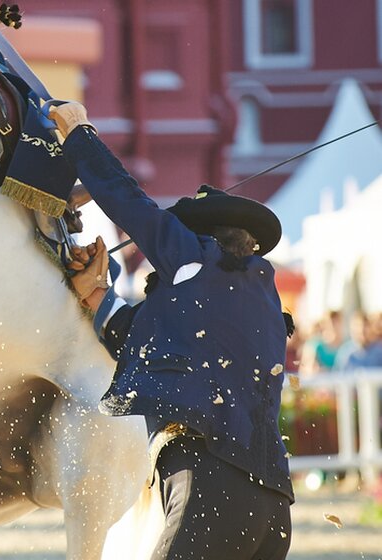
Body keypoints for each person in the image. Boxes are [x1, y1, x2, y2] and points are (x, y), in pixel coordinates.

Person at [49, 101, 294, 559]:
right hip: (274, 504)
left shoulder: (196, 256)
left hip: (210, 482)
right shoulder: (264, 297)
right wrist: (97, 295)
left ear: (201, 235)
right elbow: (150, 344)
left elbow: (127, 200)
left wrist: (79, 132)